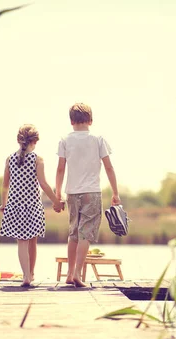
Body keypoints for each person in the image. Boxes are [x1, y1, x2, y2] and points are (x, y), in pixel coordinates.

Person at [55, 103, 121, 288]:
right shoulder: (98, 139)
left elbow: (60, 169)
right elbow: (109, 167)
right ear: (91, 120)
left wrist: (57, 193)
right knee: (86, 233)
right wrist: (115, 192)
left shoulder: (65, 140)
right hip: (91, 192)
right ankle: (77, 273)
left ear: (71, 121)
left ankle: (69, 274)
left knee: (73, 232)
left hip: (72, 192)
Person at [0, 124, 64, 287]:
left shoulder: (9, 159)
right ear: (34, 141)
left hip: (15, 205)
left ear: (18, 140)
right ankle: (30, 274)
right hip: (33, 205)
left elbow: (5, 185)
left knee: (22, 241)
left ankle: (27, 275)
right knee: (32, 240)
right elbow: (43, 184)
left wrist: (3, 203)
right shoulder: (37, 159)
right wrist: (56, 201)